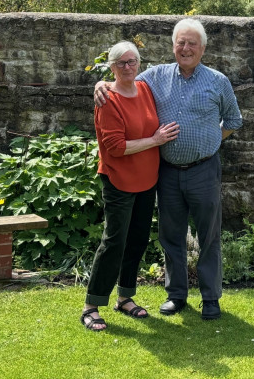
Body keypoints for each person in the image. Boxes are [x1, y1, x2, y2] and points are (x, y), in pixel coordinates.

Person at [94, 18, 242, 320]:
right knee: (171, 236)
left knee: (208, 237)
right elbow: (123, 78)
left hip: (204, 170)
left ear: (202, 48)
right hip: (167, 172)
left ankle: (210, 298)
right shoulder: (155, 77)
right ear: (173, 46)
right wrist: (101, 84)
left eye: (192, 43)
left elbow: (234, 121)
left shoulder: (217, 81)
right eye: (181, 43)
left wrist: (211, 140)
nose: (185, 48)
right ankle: (176, 296)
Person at [81, 41, 180, 332]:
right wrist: (156, 140)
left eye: (132, 61)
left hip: (147, 179)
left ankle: (124, 297)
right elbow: (114, 147)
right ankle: (91, 306)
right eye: (121, 63)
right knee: (114, 241)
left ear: (139, 64)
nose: (127, 67)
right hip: (119, 179)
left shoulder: (145, 88)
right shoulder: (107, 100)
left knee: (136, 240)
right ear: (112, 67)